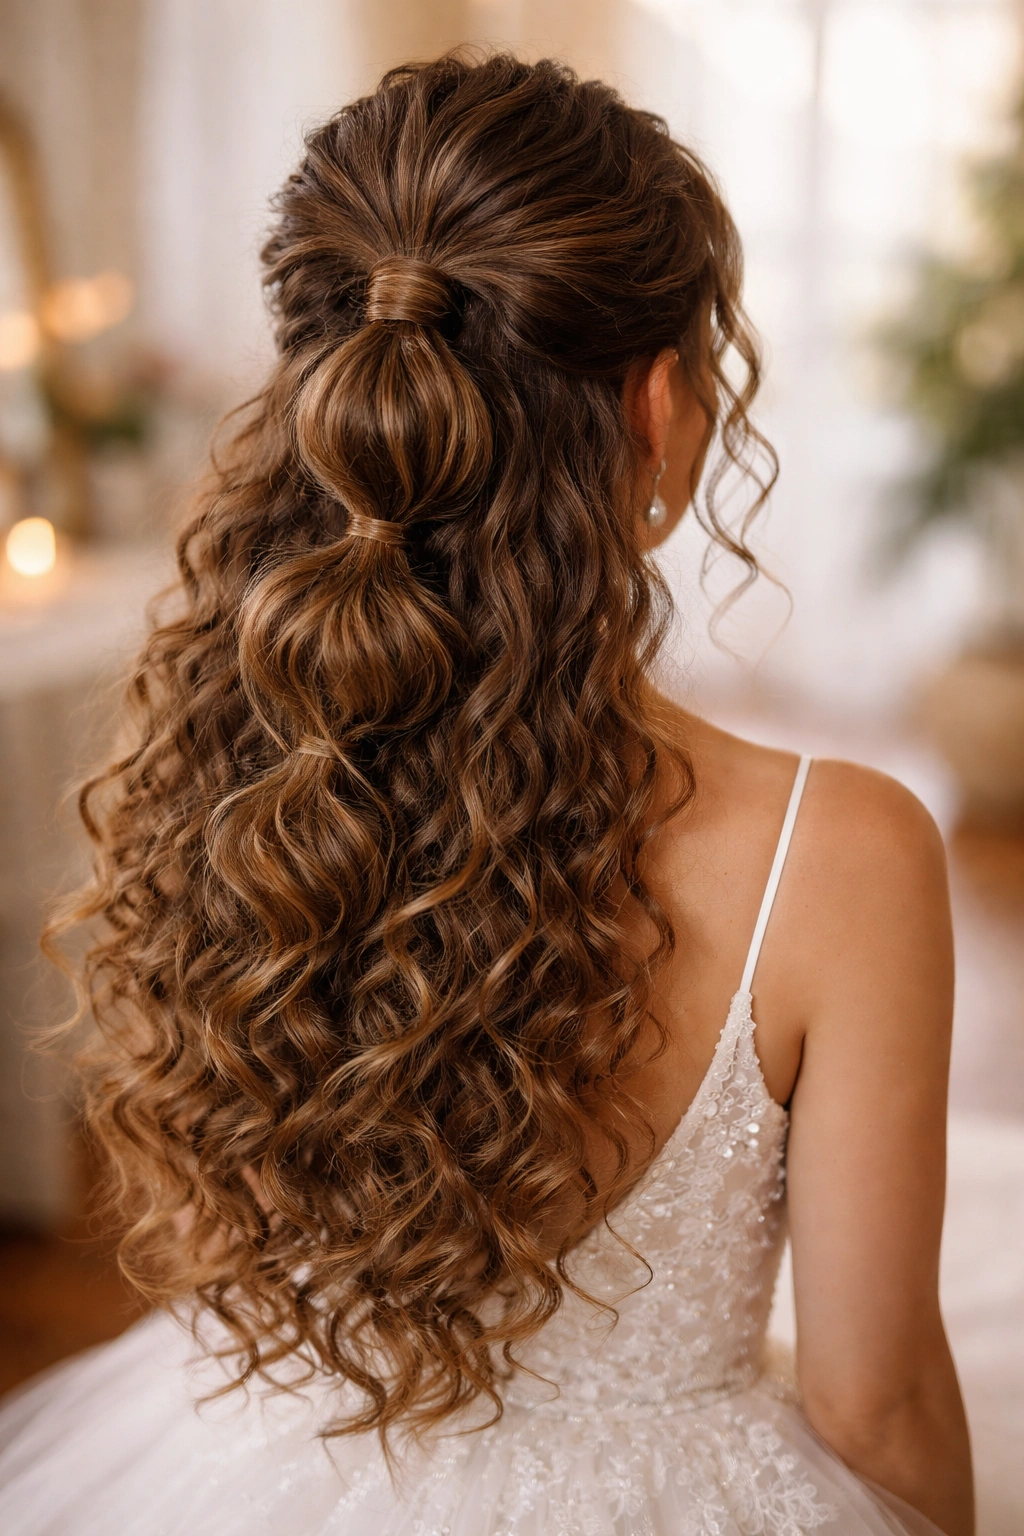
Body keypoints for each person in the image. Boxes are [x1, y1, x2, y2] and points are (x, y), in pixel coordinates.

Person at [0, 52, 972, 1536]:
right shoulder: (841, 850)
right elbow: (874, 1401)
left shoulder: (228, 755)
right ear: (656, 407)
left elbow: (229, 1242)